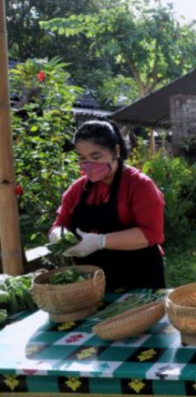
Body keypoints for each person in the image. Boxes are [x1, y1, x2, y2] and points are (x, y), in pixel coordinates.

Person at [49, 119, 166, 292]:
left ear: (116, 151)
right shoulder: (78, 189)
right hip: (92, 282)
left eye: (96, 157)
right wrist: (58, 236)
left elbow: (151, 234)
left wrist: (100, 241)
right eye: (82, 158)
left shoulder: (139, 185)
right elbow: (60, 223)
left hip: (138, 277)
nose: (89, 164)